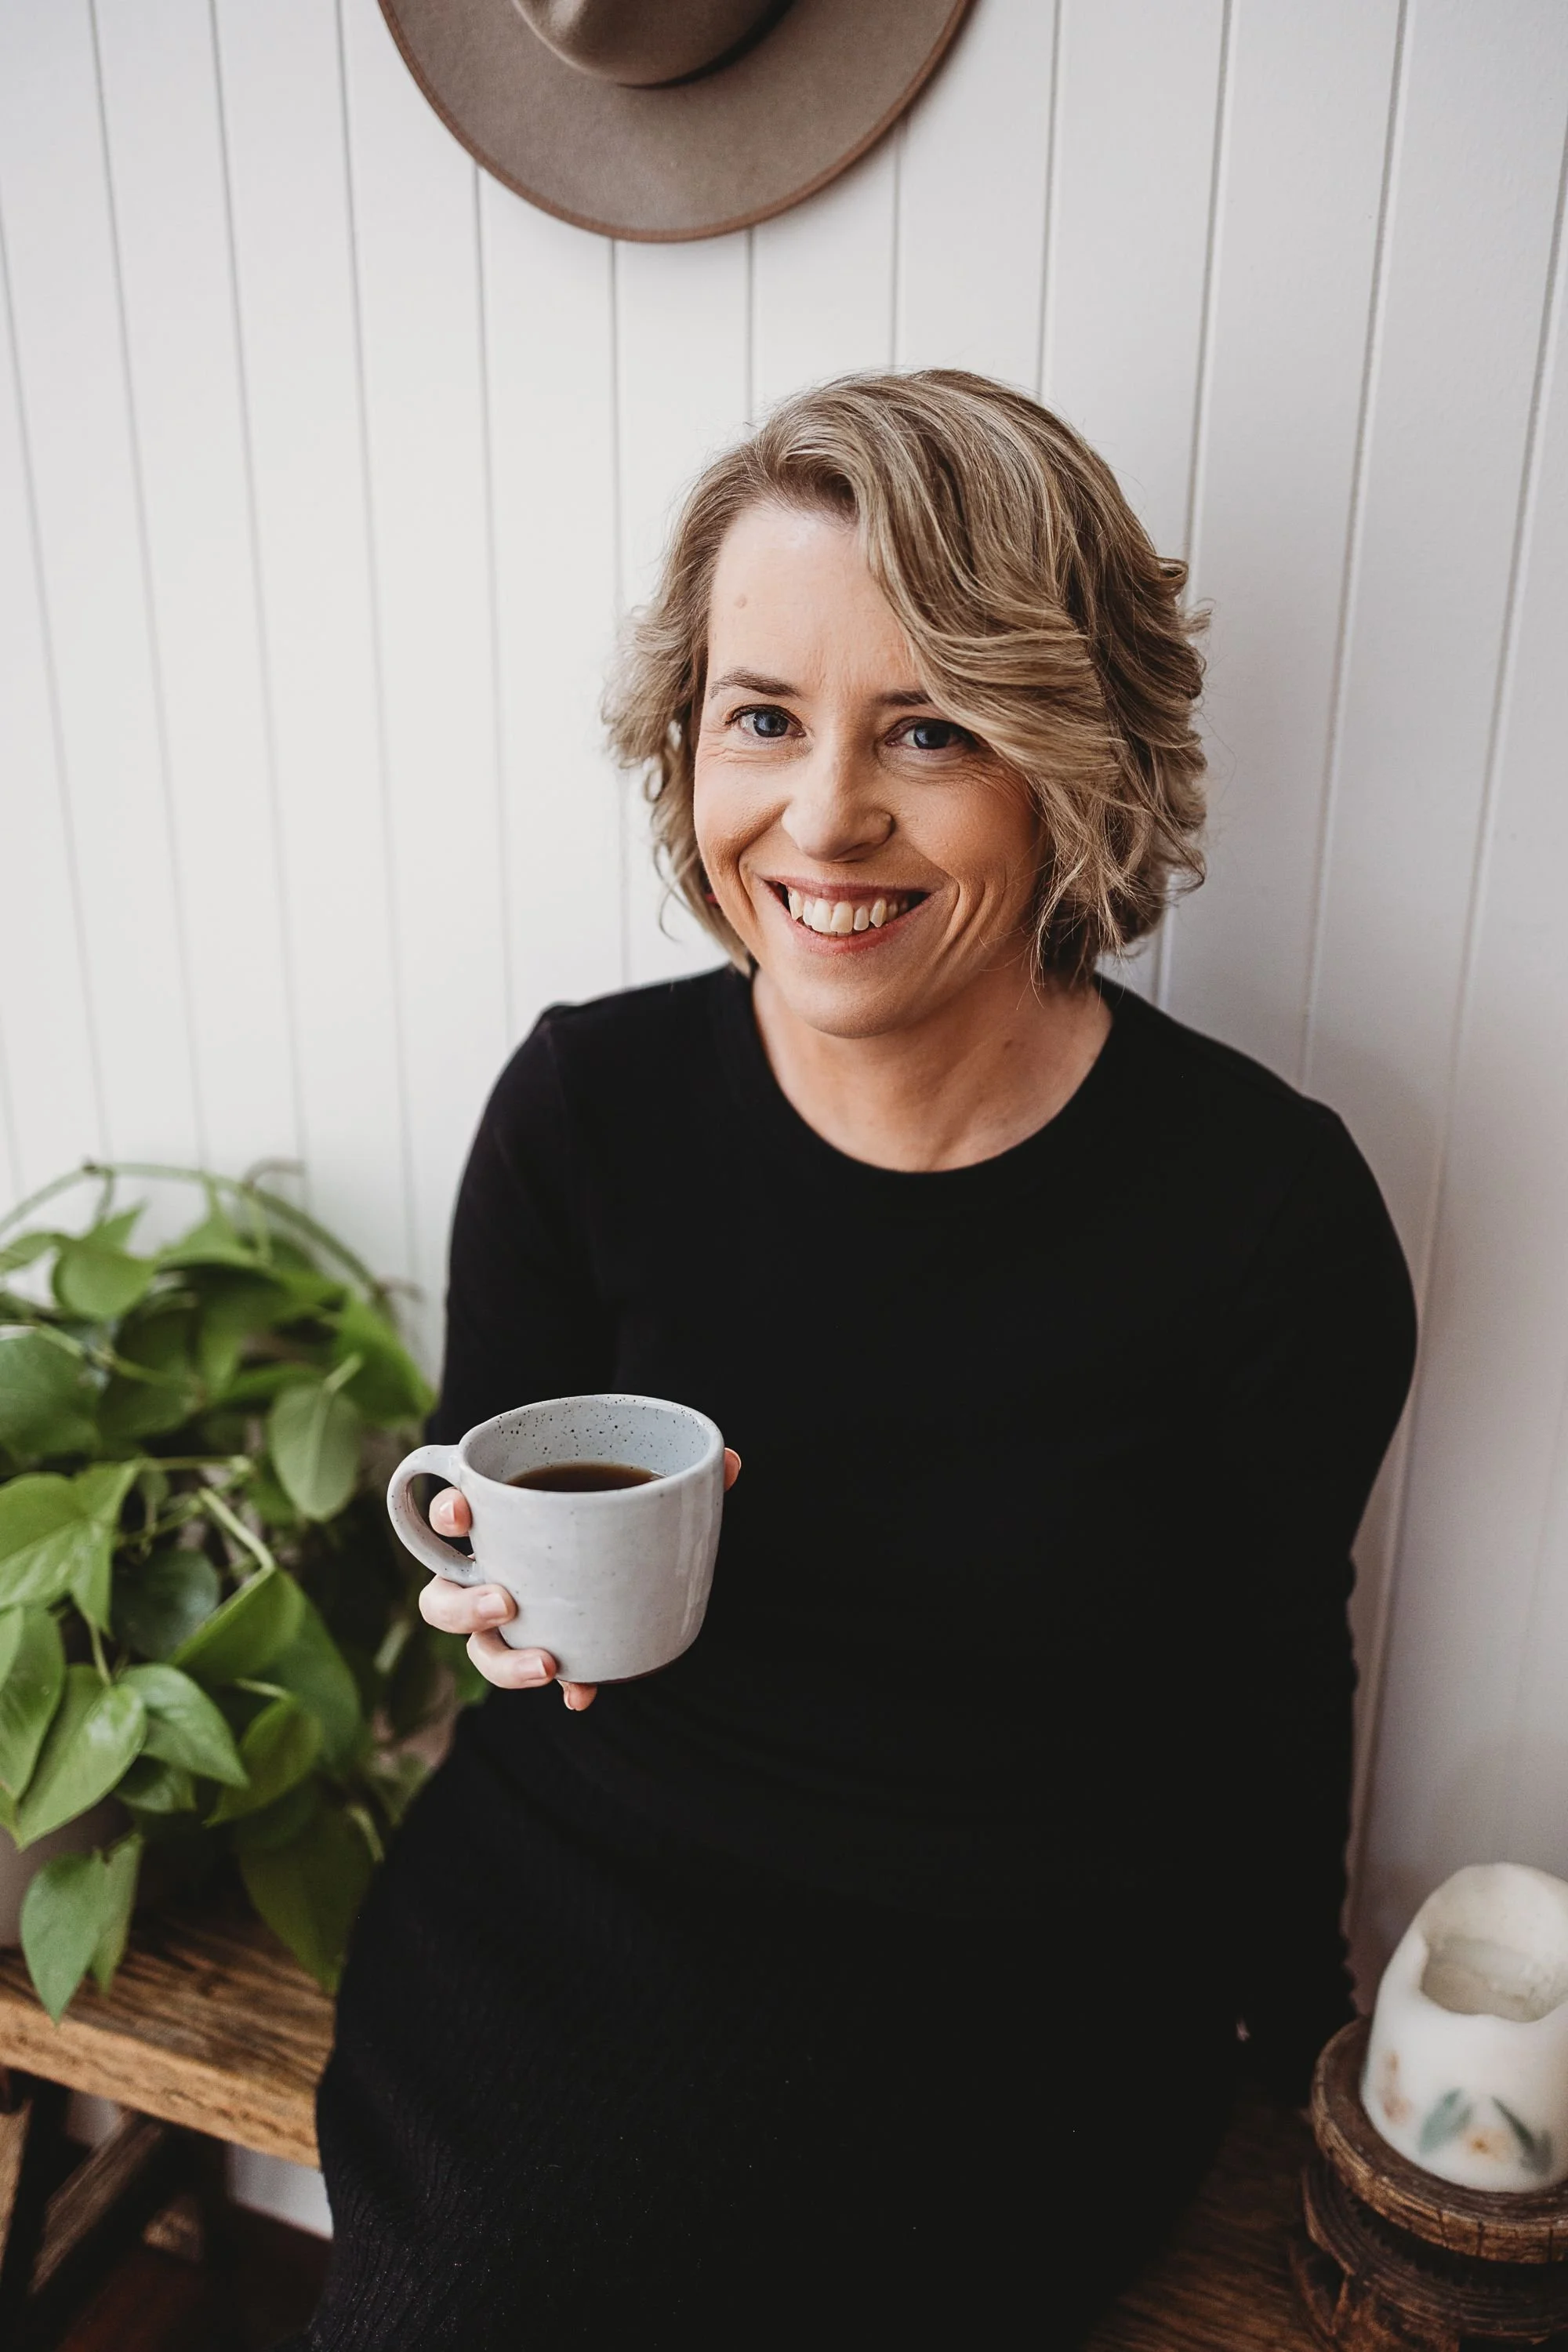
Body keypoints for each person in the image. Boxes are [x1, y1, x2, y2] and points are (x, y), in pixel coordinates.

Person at [292, 372, 1416, 2348]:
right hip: (573, 1896)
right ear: (687, 740)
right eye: (763, 718)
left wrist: (1300, 2034)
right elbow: (476, 1506)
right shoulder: (584, 1110)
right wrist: (485, 1586)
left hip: (1020, 1974)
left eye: (930, 728)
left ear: (1074, 761)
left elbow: (1267, 1670)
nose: (824, 819)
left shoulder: (1267, 1219)